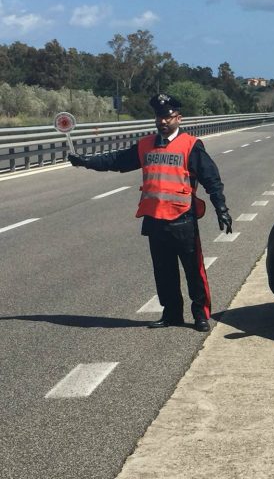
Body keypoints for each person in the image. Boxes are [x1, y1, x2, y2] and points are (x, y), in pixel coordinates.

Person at [68, 93, 233, 332]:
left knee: (193, 271)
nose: (163, 121)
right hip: (155, 219)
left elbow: (212, 180)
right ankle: (172, 314)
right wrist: (86, 161)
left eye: (167, 117)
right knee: (163, 272)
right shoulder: (145, 144)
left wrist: (222, 209)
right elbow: (117, 160)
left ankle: (200, 314)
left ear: (179, 118)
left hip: (182, 219)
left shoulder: (191, 145)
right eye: (159, 117)